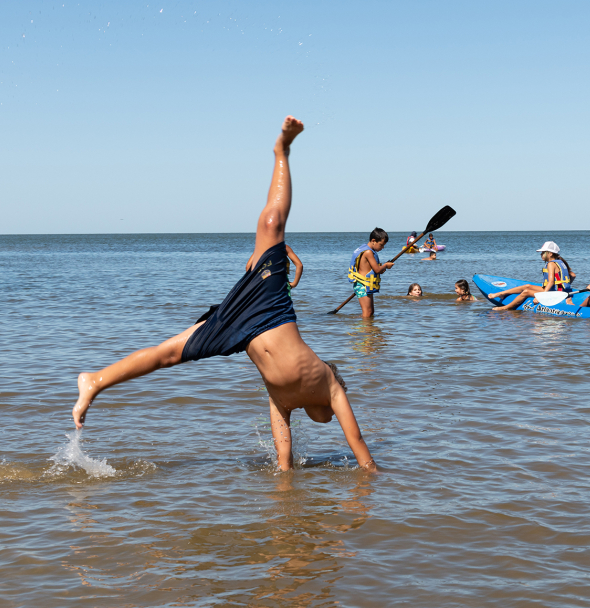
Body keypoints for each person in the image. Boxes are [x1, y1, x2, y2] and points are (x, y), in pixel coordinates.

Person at [71, 116, 376, 473]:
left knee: (168, 354)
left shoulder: (281, 401)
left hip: (237, 328)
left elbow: (284, 461)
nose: (327, 417)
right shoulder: (330, 383)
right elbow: (360, 449)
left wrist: (285, 491)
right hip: (270, 306)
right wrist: (374, 476)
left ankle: (95, 380)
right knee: (272, 225)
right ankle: (283, 151)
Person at [487, 241, 575, 311]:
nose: (541, 254)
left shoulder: (551, 264)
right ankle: (501, 294)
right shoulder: (560, 262)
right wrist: (565, 287)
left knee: (526, 292)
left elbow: (551, 282)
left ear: (550, 254)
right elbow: (573, 275)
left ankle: (506, 308)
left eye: (543, 252)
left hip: (555, 293)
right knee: (527, 286)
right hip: (557, 291)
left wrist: (541, 297)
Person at [348, 228, 394, 318]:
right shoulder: (368, 252)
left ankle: (367, 329)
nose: (382, 248)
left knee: (370, 312)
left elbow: (375, 270)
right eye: (381, 245)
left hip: (366, 285)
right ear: (373, 241)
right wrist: (385, 266)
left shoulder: (367, 250)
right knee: (367, 312)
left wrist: (383, 267)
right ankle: (365, 330)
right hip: (362, 285)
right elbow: (377, 270)